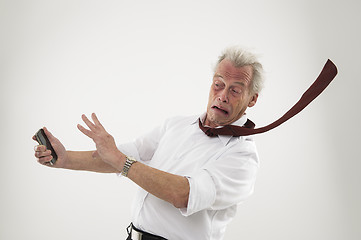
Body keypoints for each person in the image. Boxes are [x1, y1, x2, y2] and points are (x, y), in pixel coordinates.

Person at [33, 46, 264, 240]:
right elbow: (123, 153)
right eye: (218, 84)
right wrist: (65, 159)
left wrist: (121, 160)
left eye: (235, 90)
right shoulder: (177, 124)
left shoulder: (243, 157)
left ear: (252, 99)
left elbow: (183, 194)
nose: (223, 95)